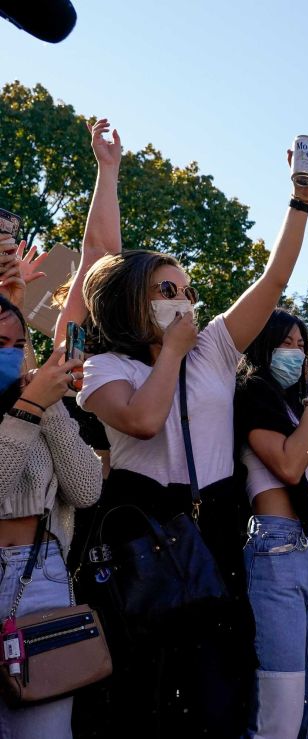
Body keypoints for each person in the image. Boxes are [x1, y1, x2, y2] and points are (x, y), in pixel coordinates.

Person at [75, 128, 308, 737]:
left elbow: (273, 282)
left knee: (217, 696)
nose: (185, 300)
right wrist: (171, 354)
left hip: (213, 527)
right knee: (144, 695)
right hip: (144, 535)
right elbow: (142, 419)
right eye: (168, 291)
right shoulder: (104, 367)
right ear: (133, 303)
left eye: (188, 290)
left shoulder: (213, 346)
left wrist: (302, 202)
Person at [233, 309, 308, 738]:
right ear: (263, 345)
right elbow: (285, 464)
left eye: (302, 346)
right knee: (280, 714)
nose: (297, 354)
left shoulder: (295, 407)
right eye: (286, 343)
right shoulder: (251, 391)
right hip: (280, 548)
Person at [0, 287, 102, 738]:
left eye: (17, 344)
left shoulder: (38, 401)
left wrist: (49, 404)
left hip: (39, 578)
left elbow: (85, 489)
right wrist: (28, 409)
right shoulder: (28, 406)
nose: (10, 354)